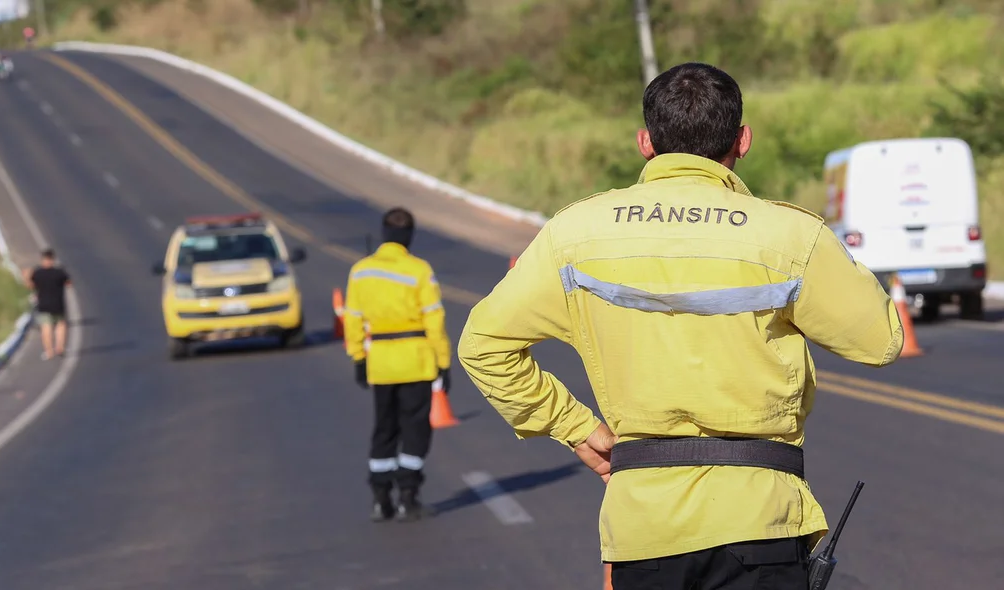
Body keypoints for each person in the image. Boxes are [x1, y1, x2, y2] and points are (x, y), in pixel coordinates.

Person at [458, 62, 903, 590]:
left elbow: (484, 346)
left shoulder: (573, 233)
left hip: (644, 527)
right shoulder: (789, 234)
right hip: (760, 522)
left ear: (646, 143)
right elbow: (881, 341)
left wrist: (575, 428)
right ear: (743, 140)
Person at [343, 207, 452, 522]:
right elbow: (434, 318)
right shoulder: (419, 270)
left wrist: (358, 359)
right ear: (409, 236)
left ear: (383, 234)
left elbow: (353, 319)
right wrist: (443, 362)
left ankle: (380, 498)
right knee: (415, 429)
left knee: (384, 429)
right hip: (416, 361)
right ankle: (408, 495)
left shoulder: (360, 271)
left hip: (380, 362)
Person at [24, 249, 72, 360]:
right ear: (53, 259)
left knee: (46, 328)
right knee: (60, 325)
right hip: (58, 304)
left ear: (43, 259)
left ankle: (49, 351)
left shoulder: (37, 273)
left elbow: (30, 286)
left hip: (43, 305)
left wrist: (26, 277)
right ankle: (60, 348)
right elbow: (69, 284)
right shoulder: (59, 272)